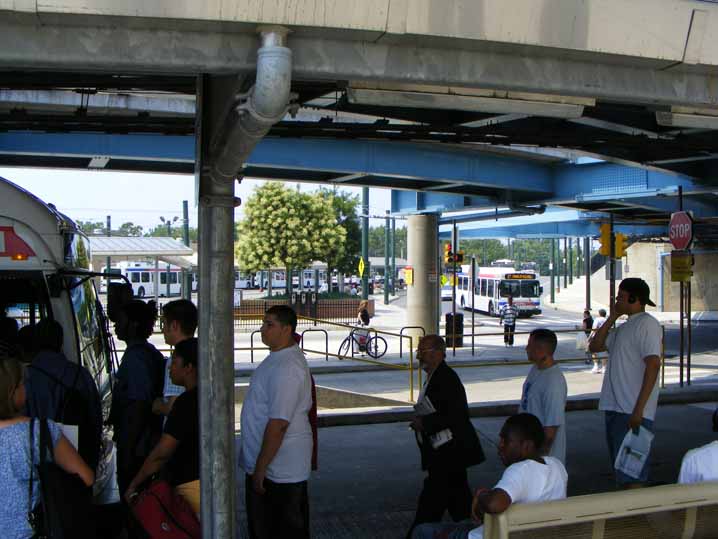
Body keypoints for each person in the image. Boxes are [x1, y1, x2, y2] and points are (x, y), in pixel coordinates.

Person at [412, 413, 567, 539]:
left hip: (489, 536)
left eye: (506, 441)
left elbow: (494, 504)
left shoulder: (520, 471)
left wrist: (481, 495)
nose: (500, 445)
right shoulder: (557, 467)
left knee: (422, 531)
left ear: (526, 445)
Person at [239, 305, 313, 539]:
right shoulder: (277, 359)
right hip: (270, 468)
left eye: (269, 324)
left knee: (280, 530)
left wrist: (261, 468)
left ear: (286, 329)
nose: (262, 329)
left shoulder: (288, 367)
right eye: (263, 323)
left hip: (280, 472)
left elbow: (279, 423)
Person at [0, 358, 94, 539]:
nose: (25, 389)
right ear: (12, 392)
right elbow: (87, 478)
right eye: (22, 385)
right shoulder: (38, 431)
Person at [407, 335, 485, 539]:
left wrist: (423, 423)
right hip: (446, 454)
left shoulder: (446, 378)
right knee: (460, 504)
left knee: (431, 505)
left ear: (439, 353)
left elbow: (455, 415)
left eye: (423, 351)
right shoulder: (435, 375)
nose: (418, 356)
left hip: (448, 454)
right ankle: (475, 532)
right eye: (419, 351)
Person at [589, 278, 662, 488]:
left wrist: (639, 410)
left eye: (621, 296)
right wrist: (612, 316)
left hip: (632, 411)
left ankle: (636, 518)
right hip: (615, 408)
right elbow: (595, 346)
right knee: (621, 471)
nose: (616, 300)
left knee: (632, 473)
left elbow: (653, 365)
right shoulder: (623, 327)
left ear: (633, 298)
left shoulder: (647, 324)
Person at [125, 338, 200, 515]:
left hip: (190, 486)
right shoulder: (206, 395)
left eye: (174, 362)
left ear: (188, 367)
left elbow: (162, 453)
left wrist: (134, 483)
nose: (169, 367)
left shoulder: (185, 403)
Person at [24, 318, 103, 471]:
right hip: (75, 460)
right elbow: (95, 420)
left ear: (36, 343)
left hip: (37, 463)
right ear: (60, 342)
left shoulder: (25, 378)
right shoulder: (80, 375)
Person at [109, 300, 165, 514]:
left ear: (132, 325)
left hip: (138, 448)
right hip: (142, 445)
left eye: (120, 320)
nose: (115, 325)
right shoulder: (144, 353)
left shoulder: (137, 358)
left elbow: (138, 406)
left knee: (135, 507)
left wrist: (128, 450)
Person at [518, 329, 567, 464]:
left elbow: (550, 431)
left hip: (544, 462)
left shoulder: (553, 383)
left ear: (540, 350)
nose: (526, 348)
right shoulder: (536, 369)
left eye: (529, 345)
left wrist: (537, 461)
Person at [153, 299, 198, 419]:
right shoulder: (198, 352)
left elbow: (173, 407)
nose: (162, 330)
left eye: (164, 324)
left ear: (174, 325)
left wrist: (157, 405)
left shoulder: (177, 360)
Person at [590, 309, 608, 374]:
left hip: (596, 337)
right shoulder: (606, 320)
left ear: (599, 313)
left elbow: (594, 328)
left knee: (594, 352)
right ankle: (604, 367)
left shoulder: (597, 319)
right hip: (605, 337)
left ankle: (596, 366)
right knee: (604, 352)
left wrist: (590, 337)